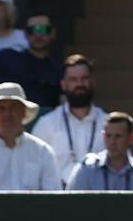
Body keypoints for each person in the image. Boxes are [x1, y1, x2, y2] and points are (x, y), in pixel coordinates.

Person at [0, 82, 60, 191]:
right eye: (1, 108)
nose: (7, 114)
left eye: (13, 107)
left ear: (23, 111)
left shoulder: (43, 151)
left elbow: (52, 196)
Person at [30, 53, 107, 187]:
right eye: (73, 79)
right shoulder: (46, 123)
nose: (79, 84)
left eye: (84, 78)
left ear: (93, 82)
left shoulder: (107, 123)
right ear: (63, 84)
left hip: (99, 194)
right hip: (58, 195)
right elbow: (33, 168)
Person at [0, 15, 62, 109]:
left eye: (43, 30)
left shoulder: (59, 70)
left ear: (52, 33)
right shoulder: (6, 58)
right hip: (5, 115)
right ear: (25, 33)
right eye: (31, 30)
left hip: (44, 117)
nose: (38, 35)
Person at [67, 112, 133, 190]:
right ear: (103, 136)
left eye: (118, 136)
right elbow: (71, 202)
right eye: (108, 136)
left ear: (132, 138)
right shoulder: (86, 170)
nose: (112, 142)